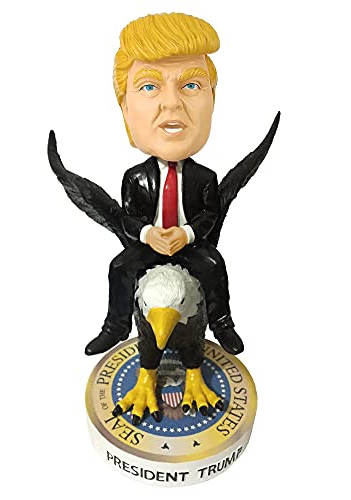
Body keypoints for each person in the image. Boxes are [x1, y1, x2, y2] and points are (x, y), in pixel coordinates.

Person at [85, 13, 243, 356]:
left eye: (191, 85)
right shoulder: (135, 177)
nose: (172, 102)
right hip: (150, 244)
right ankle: (115, 325)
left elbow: (209, 215)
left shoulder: (204, 178)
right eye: (149, 86)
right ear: (125, 109)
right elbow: (128, 218)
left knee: (213, 265)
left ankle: (222, 322)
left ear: (213, 100)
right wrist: (148, 234)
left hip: (189, 245)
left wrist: (186, 234)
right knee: (119, 267)